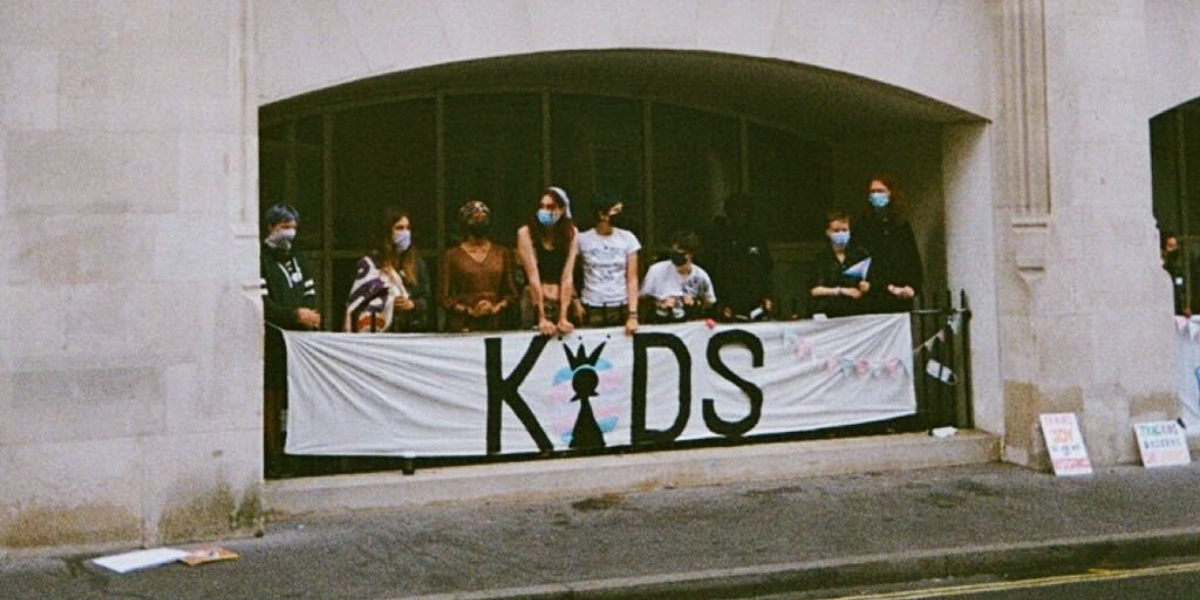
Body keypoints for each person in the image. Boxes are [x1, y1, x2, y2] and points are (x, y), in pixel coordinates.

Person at [260, 203, 320, 477]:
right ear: (271, 228)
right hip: (272, 340)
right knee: (272, 398)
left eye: (293, 227)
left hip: (299, 343)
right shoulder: (261, 260)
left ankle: (297, 454)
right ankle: (273, 456)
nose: (289, 233)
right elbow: (264, 304)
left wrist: (309, 313)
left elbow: (310, 291)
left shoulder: (299, 259)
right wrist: (294, 315)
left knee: (296, 396)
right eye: (284, 227)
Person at [344, 208, 430, 332]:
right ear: (387, 231)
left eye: (408, 228)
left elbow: (426, 298)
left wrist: (413, 305)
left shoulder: (417, 263)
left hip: (409, 331)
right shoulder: (371, 264)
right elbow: (358, 302)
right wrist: (388, 304)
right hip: (379, 334)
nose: (405, 233)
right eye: (399, 228)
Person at [438, 200, 518, 332]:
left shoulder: (502, 253)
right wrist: (470, 311)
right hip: (463, 325)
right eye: (475, 218)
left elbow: (512, 293)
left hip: (496, 324)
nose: (480, 222)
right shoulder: (452, 256)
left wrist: (496, 307)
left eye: (483, 218)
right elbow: (443, 297)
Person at [855, 175, 923, 313]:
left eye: (881, 191)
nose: (876, 195)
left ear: (891, 194)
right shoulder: (863, 227)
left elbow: (912, 259)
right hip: (873, 295)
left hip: (899, 295)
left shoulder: (901, 225)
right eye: (872, 192)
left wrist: (912, 287)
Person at [702, 193, 774, 322]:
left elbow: (766, 268)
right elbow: (711, 270)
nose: (742, 216)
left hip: (753, 299)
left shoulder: (755, 236)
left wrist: (767, 296)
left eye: (746, 212)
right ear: (729, 213)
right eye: (738, 212)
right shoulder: (718, 237)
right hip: (726, 298)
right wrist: (719, 303)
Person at [516, 187, 579, 336]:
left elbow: (567, 275)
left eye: (551, 207)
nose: (545, 211)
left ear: (562, 210)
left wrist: (563, 316)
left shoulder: (571, 232)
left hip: (561, 297)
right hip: (534, 298)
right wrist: (541, 317)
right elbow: (533, 276)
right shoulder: (526, 233)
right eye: (542, 207)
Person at [576, 196, 641, 335]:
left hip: (620, 305)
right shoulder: (582, 239)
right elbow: (570, 272)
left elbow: (632, 278)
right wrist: (574, 300)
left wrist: (633, 314)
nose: (619, 215)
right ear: (602, 215)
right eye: (616, 211)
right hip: (592, 305)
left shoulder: (628, 237)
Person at [640, 230, 716, 323]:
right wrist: (659, 304)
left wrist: (695, 303)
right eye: (673, 253)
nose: (676, 257)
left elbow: (709, 302)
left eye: (679, 254)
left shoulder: (701, 276)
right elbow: (642, 299)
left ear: (690, 254)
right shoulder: (656, 270)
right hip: (660, 322)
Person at [810, 210, 871, 318]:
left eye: (844, 230)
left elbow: (871, 280)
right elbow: (814, 290)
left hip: (856, 313)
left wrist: (866, 286)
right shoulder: (821, 257)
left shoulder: (861, 255)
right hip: (829, 312)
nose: (841, 234)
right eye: (836, 230)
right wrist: (841, 291)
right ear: (828, 232)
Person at [1162, 231, 1188, 316]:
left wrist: (1184, 307)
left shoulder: (1176, 268)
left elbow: (1180, 288)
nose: (1174, 250)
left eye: (1175, 246)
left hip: (1176, 309)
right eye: (1171, 247)